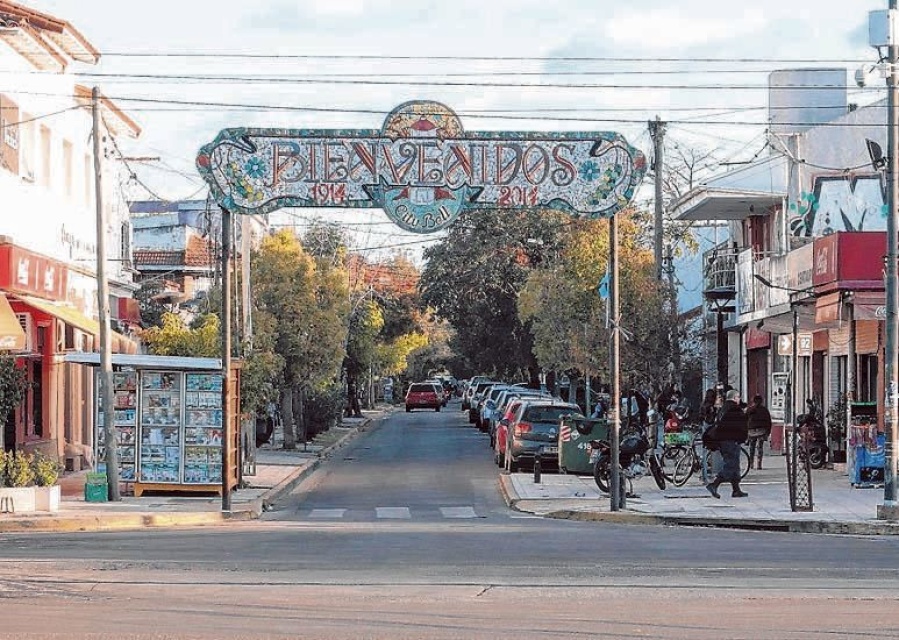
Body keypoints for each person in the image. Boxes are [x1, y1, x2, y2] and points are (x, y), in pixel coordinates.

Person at [705, 389, 749, 499]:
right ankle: (714, 484)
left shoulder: (725, 408)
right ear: (734, 398)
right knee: (730, 465)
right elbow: (739, 425)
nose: (739, 399)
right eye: (738, 397)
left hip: (725, 440)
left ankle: (736, 490)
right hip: (730, 441)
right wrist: (743, 437)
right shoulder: (734, 409)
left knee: (735, 466)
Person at [745, 394, 772, 470]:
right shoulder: (764, 410)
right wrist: (768, 432)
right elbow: (768, 422)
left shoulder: (749, 409)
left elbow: (744, 420)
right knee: (760, 447)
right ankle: (759, 464)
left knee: (751, 447)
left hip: (751, 431)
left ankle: (751, 464)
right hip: (761, 431)